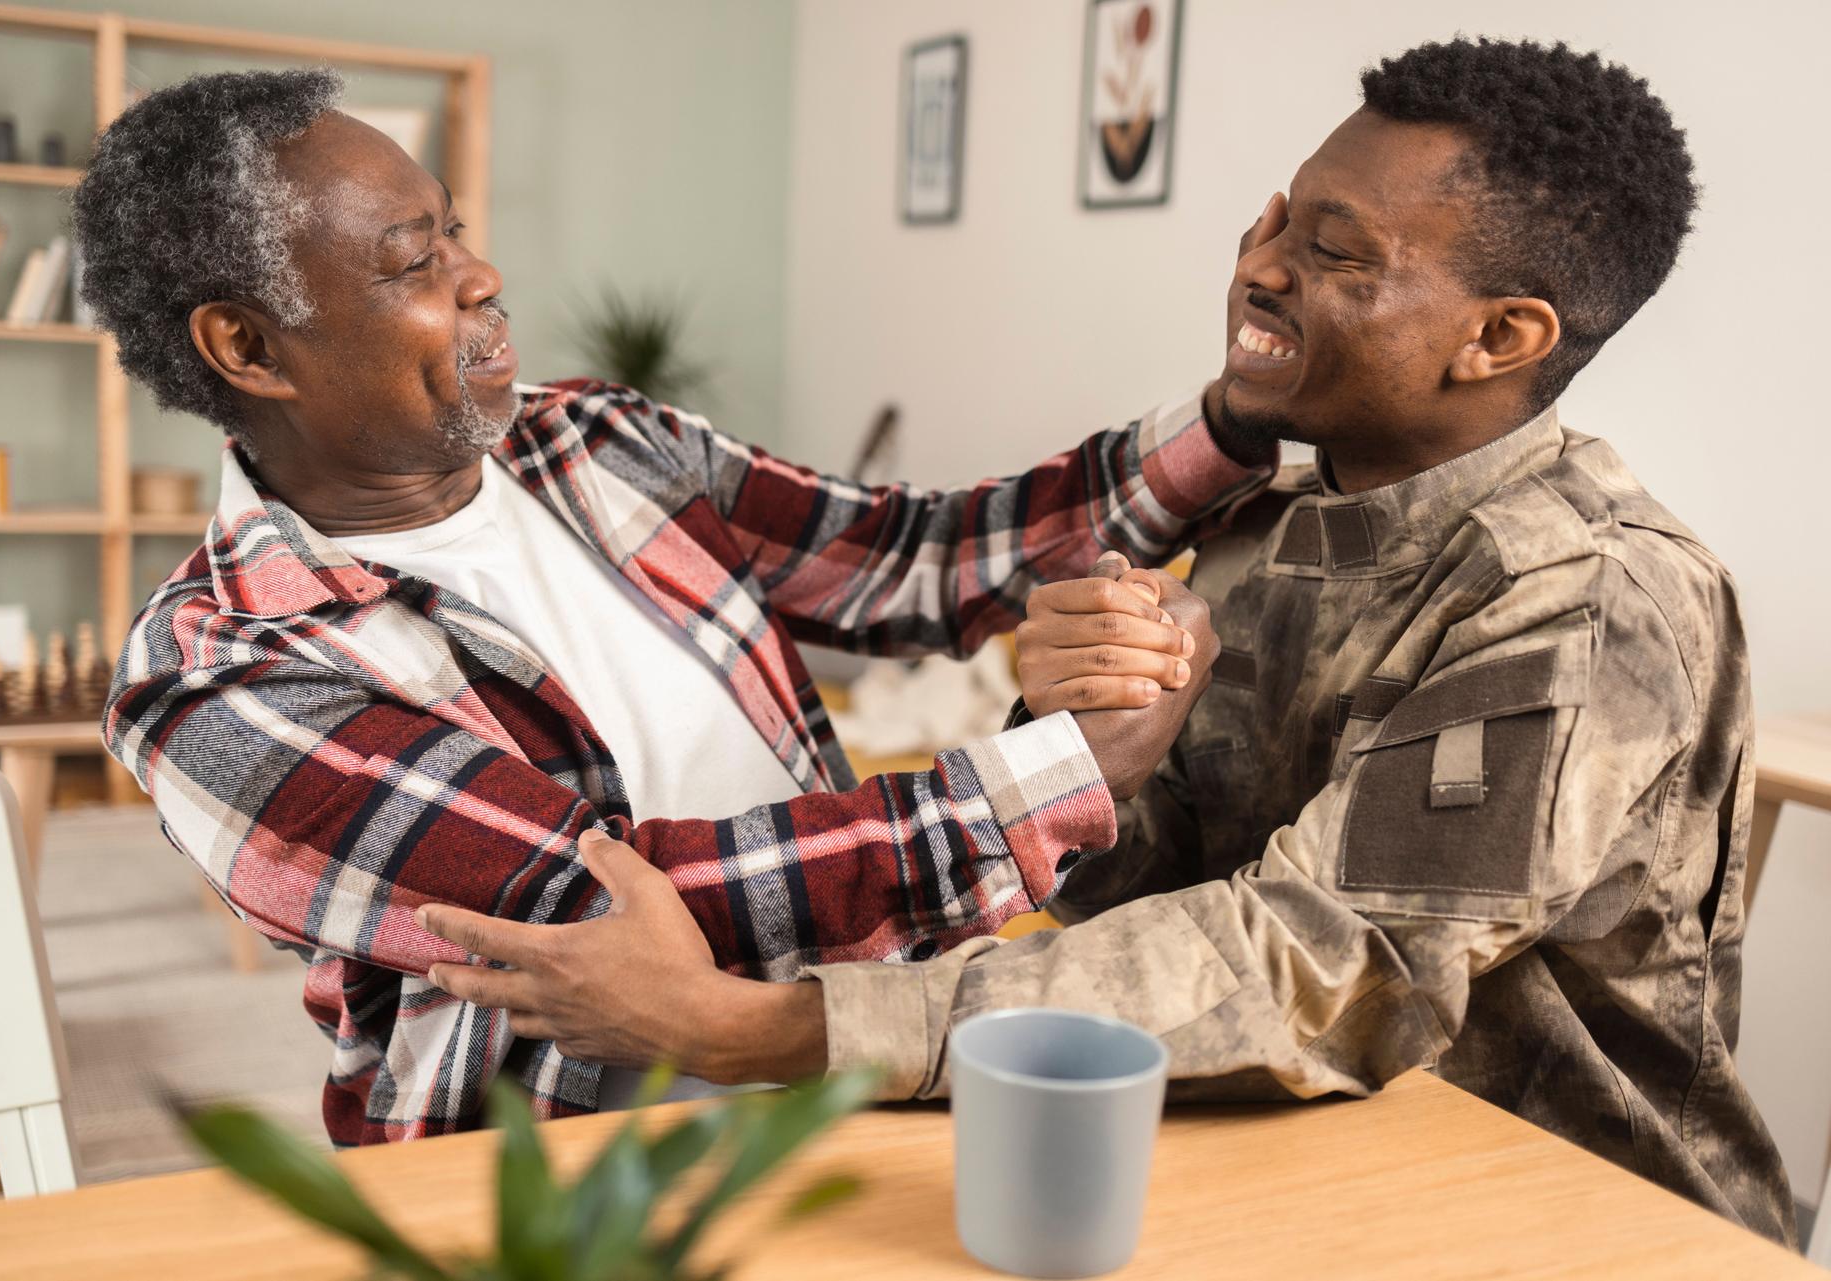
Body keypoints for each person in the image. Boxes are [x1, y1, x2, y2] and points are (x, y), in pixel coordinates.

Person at [417, 39, 1796, 1244]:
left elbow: (1320, 964)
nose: (1260, 269)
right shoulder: (1267, 523)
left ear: (1500, 337)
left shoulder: (1590, 598)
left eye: (1332, 253)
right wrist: (1083, 746)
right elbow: (1135, 894)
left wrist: (761, 1027)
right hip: (1275, 1161)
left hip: (1569, 1213)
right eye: (1274, 223)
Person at [81, 68, 1264, 1145]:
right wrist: (1062, 775)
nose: (480, 277)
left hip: (856, 1083)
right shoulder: (216, 673)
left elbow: (911, 557)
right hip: (558, 1196)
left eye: (454, 229)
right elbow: (612, 910)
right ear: (247, 347)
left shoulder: (595, 437)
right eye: (411, 262)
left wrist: (1231, 426)